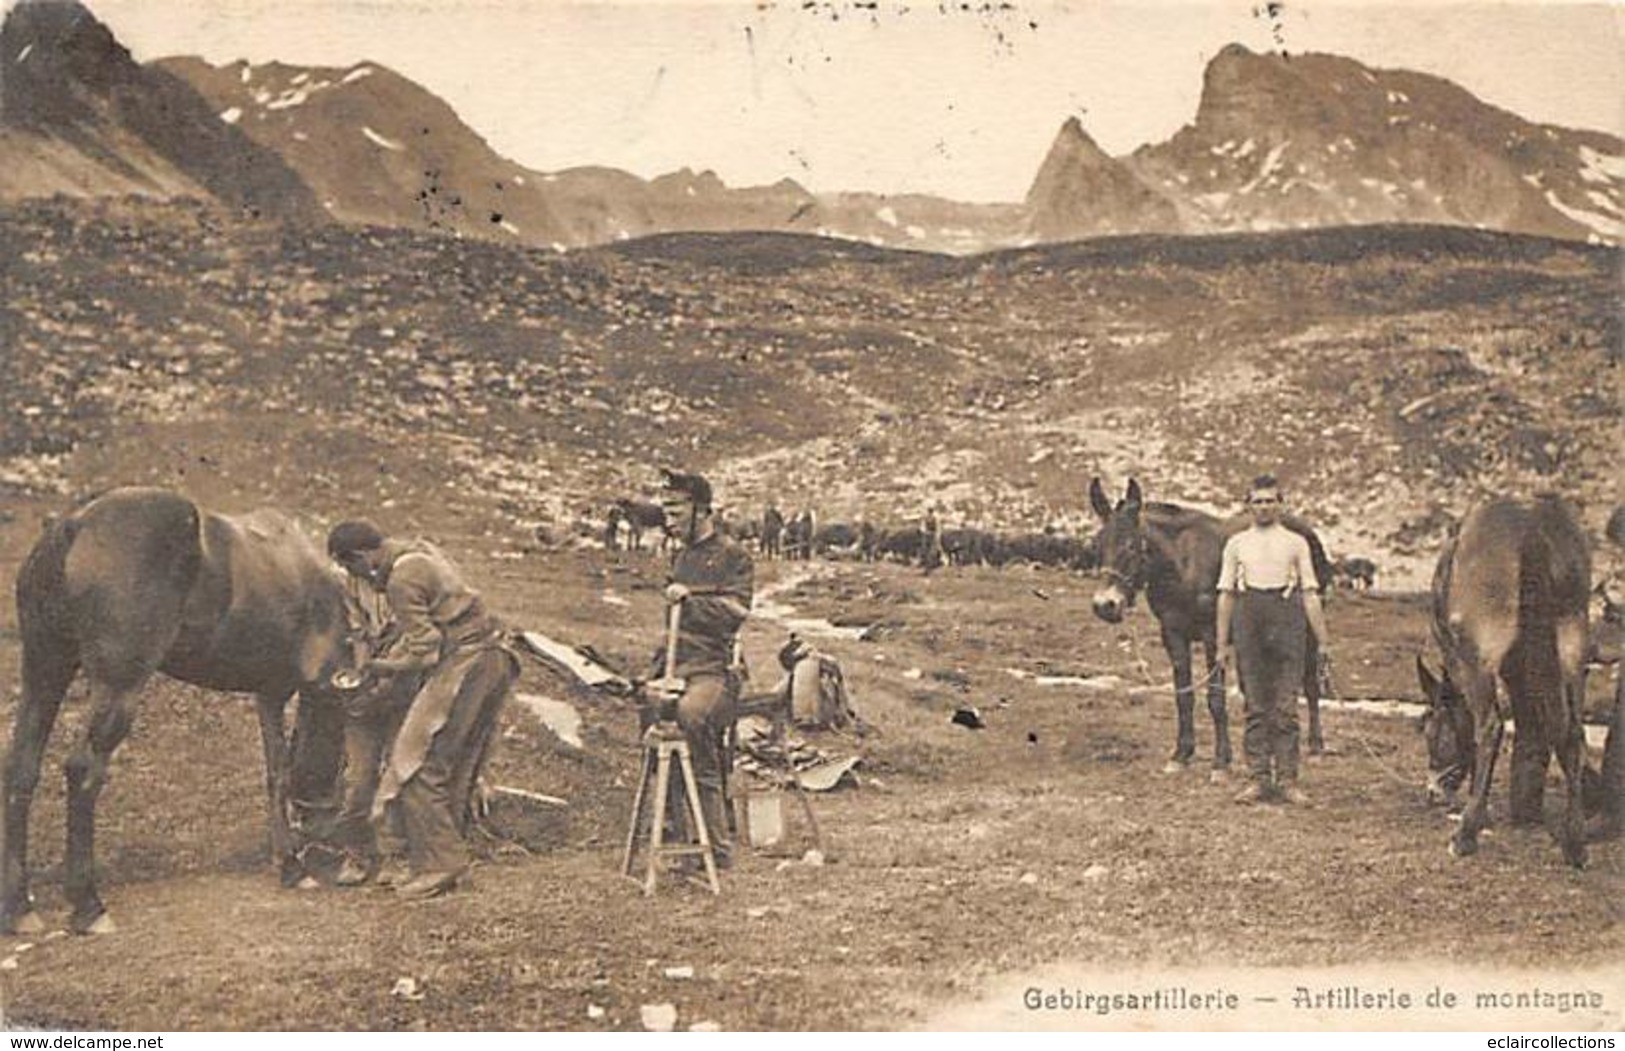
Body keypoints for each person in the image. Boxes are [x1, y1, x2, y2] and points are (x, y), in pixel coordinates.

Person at [326, 520, 518, 898]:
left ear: (363, 556)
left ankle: (440, 864)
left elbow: (426, 648)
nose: (358, 578)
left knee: (415, 765)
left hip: (465, 663)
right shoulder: (421, 556)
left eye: (353, 568)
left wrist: (377, 668)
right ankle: (436, 859)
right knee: (449, 762)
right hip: (493, 659)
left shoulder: (399, 580)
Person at [646, 469, 754, 868]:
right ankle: (675, 832)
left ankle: (716, 844)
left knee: (693, 717)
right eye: (666, 510)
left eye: (676, 510)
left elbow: (735, 614)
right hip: (679, 664)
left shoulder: (733, 555)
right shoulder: (680, 556)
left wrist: (690, 599)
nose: (668, 520)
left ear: (702, 510)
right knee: (652, 712)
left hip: (716, 670)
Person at [1215, 475, 1332, 806]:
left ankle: (1288, 780)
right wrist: (1222, 644)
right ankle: (1258, 779)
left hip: (1287, 619)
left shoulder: (1296, 542)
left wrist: (1323, 641)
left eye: (1270, 501)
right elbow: (1225, 595)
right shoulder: (1237, 544)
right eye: (1258, 501)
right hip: (1248, 618)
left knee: (1285, 707)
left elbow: (1310, 593)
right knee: (1255, 704)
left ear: (1281, 504)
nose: (1264, 507)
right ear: (1248, 505)